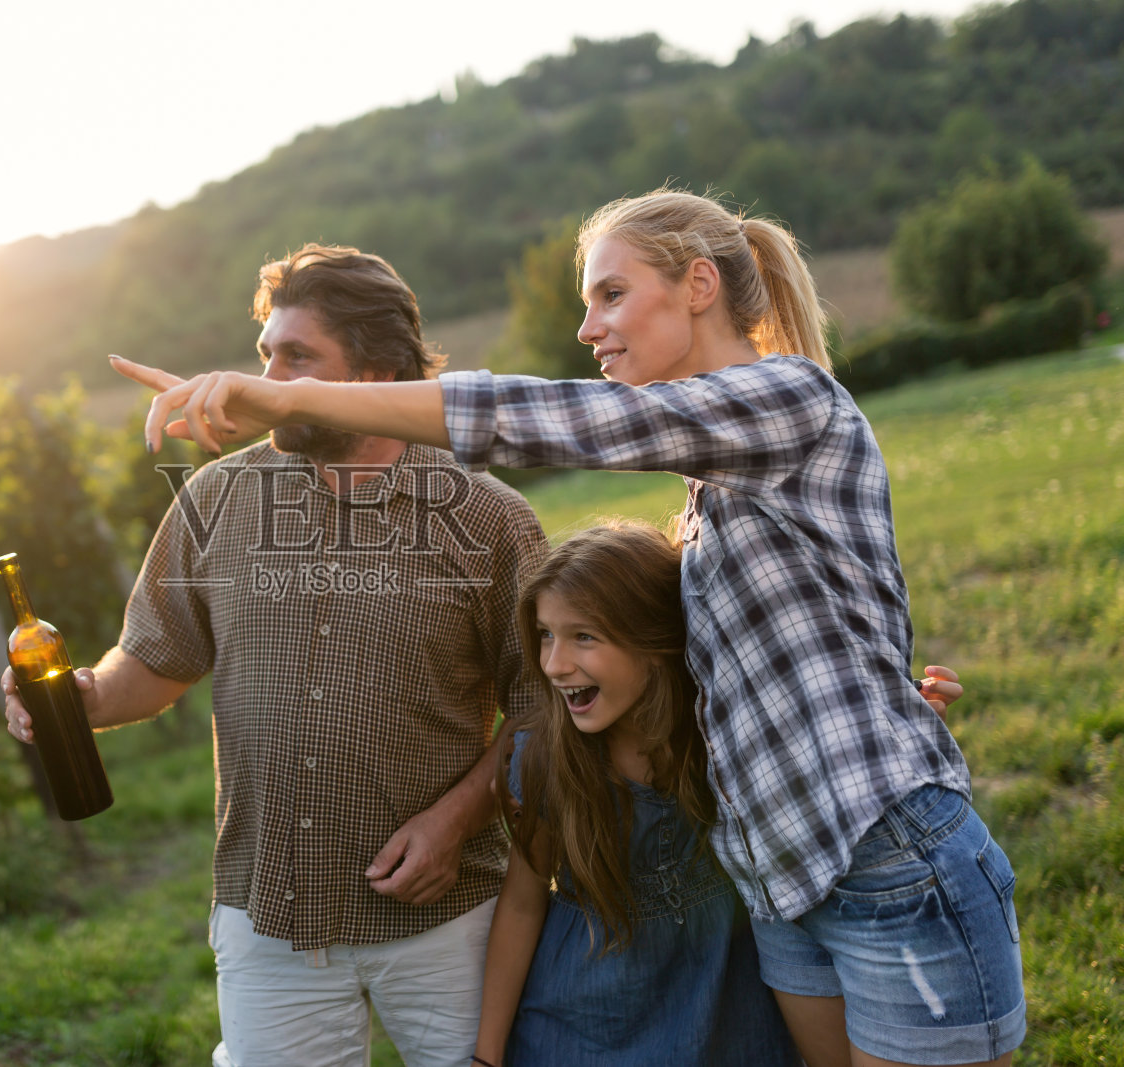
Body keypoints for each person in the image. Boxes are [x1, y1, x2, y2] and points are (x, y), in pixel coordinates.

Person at [113, 188, 1023, 1067]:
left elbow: (555, 421)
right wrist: (877, 687)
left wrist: (289, 400)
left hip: (885, 856)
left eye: (611, 294)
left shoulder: (790, 398)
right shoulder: (711, 487)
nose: (588, 327)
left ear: (699, 285)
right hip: (789, 881)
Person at [7, 244, 547, 1067]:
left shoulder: (485, 518)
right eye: (267, 354)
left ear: (373, 373)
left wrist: (456, 819)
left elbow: (545, 709)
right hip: (270, 917)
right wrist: (79, 698)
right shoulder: (215, 497)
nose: (267, 377)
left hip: (448, 910)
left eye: (298, 358)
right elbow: (151, 664)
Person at [476, 520, 798, 1066]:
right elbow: (523, 906)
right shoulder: (547, 758)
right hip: (580, 1031)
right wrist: (486, 1056)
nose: (554, 664)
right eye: (546, 634)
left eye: (584, 636)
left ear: (658, 639)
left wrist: (907, 710)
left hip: (727, 1024)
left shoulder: (727, 738)